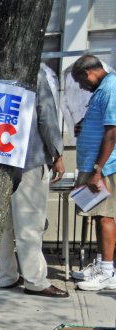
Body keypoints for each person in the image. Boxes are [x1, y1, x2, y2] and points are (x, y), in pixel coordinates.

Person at [0, 71, 68, 297]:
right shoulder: (34, 73)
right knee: (29, 222)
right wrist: (57, 154)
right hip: (29, 157)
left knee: (2, 225)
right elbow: (46, 115)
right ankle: (35, 280)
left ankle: (5, 275)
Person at [71, 55, 116, 291]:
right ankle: (101, 264)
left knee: (106, 216)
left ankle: (107, 271)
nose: (80, 86)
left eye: (79, 81)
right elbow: (102, 124)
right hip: (93, 165)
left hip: (105, 167)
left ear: (88, 73)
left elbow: (112, 132)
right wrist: (84, 124)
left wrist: (98, 170)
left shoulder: (111, 88)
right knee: (99, 215)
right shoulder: (102, 91)